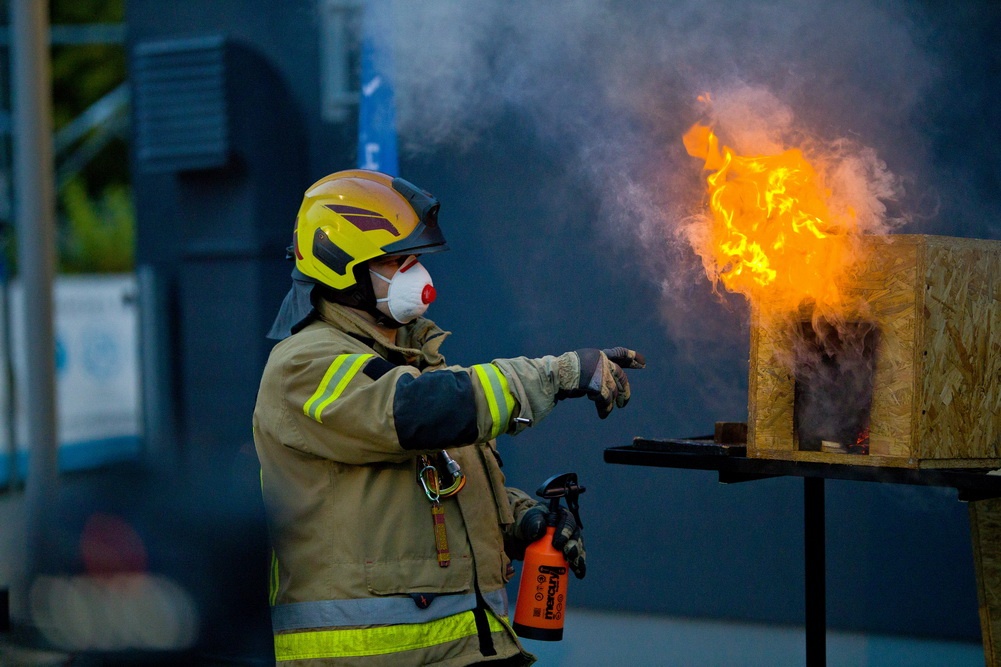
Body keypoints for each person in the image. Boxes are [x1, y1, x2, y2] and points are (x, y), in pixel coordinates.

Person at [253, 169, 644, 666]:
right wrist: (555, 376)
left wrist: (520, 518)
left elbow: (425, 485)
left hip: (468, 654)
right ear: (339, 267)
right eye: (397, 261)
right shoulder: (303, 365)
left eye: (415, 259)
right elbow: (416, 414)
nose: (417, 276)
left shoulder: (410, 358)